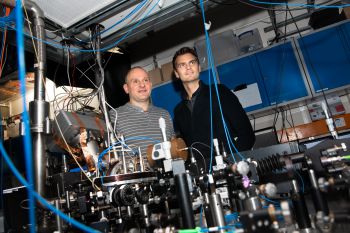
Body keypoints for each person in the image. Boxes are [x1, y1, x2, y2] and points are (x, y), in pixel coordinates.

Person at [172, 47, 255, 170]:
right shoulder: (178, 111)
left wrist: (233, 164)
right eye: (182, 65)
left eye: (192, 62)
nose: (188, 67)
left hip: (230, 168)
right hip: (202, 175)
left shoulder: (220, 92)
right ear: (176, 73)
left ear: (199, 67)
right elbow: (186, 151)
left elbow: (247, 134)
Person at [109, 66, 175, 169]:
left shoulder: (164, 114)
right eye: (135, 81)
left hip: (167, 178)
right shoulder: (114, 116)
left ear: (151, 85)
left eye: (145, 80)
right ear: (126, 88)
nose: (142, 85)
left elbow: (174, 148)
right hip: (136, 182)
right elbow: (110, 155)